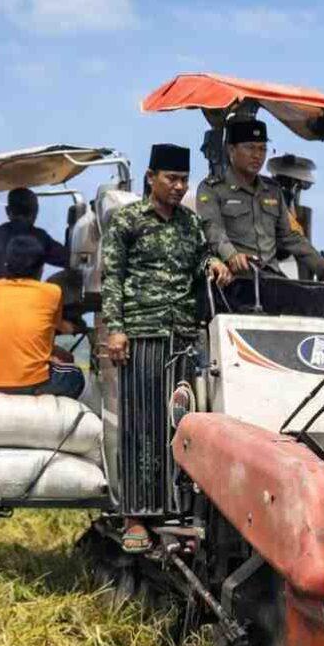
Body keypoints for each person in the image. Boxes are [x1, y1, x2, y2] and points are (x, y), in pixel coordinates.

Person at [100, 143, 231, 553]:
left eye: (183, 180)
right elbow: (112, 278)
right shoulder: (128, 221)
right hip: (141, 335)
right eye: (171, 179)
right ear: (151, 177)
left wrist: (213, 264)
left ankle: (175, 511)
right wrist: (116, 330)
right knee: (140, 425)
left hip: (183, 338)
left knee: (179, 425)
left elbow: (200, 258)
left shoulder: (189, 224)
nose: (178, 187)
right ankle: (136, 516)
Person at [195, 120, 324, 284]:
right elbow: (213, 231)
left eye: (262, 149)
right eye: (250, 147)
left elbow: (290, 237)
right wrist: (231, 255)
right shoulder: (212, 188)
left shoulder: (273, 190)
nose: (257, 155)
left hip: (272, 277)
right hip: (236, 280)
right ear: (231, 149)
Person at [0, 234, 84, 398]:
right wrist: (80, 328)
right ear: (41, 268)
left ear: (6, 264)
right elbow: (59, 327)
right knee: (75, 374)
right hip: (33, 383)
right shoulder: (52, 292)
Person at [0, 187, 69, 325]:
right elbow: (69, 260)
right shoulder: (41, 238)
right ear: (35, 212)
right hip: (27, 311)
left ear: (8, 211)